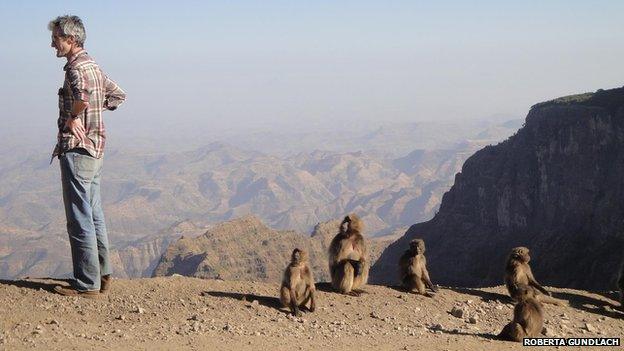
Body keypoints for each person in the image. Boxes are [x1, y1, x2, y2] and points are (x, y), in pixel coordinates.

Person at [48, 15, 126, 297]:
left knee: (79, 217)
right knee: (94, 214)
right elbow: (118, 95)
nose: (52, 44)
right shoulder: (94, 66)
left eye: (56, 39)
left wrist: (74, 118)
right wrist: (96, 109)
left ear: (71, 40)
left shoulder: (75, 69)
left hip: (78, 148)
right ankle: (103, 275)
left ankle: (86, 284)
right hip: (96, 148)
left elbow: (80, 98)